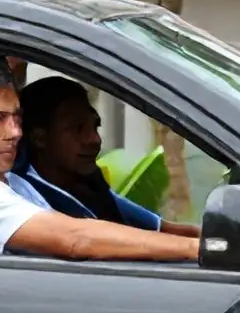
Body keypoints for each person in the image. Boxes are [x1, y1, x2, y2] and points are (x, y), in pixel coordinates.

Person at [0, 53, 197, 262]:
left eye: (16, 118)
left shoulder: (5, 180)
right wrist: (198, 250)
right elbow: (76, 239)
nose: (14, 132)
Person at [15, 75, 202, 239]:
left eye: (95, 127)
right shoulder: (25, 199)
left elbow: (162, 229)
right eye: (77, 129)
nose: (94, 139)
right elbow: (92, 239)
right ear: (39, 137)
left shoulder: (88, 188)